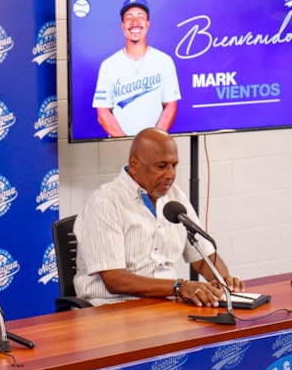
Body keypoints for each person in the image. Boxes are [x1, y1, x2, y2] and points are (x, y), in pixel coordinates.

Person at [73, 127, 243, 307]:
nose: (170, 175)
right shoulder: (105, 203)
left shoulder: (175, 198)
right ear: (134, 164)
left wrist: (223, 281)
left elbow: (203, 258)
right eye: (161, 166)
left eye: (174, 165)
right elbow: (115, 280)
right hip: (112, 311)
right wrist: (179, 287)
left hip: (166, 305)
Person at [93, 0, 181, 137]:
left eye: (140, 17)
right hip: (119, 147)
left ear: (147, 24)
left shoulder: (164, 61)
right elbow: (103, 113)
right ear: (122, 25)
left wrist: (153, 141)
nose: (135, 23)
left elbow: (171, 107)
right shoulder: (108, 65)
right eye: (129, 18)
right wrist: (126, 144)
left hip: (155, 147)